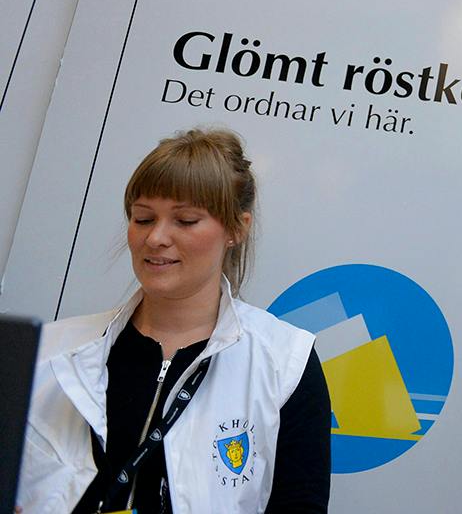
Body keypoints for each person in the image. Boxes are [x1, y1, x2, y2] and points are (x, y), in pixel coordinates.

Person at [18, 128, 331, 514]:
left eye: (185, 220)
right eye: (143, 218)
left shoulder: (286, 362)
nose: (156, 238)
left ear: (237, 228)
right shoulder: (48, 352)